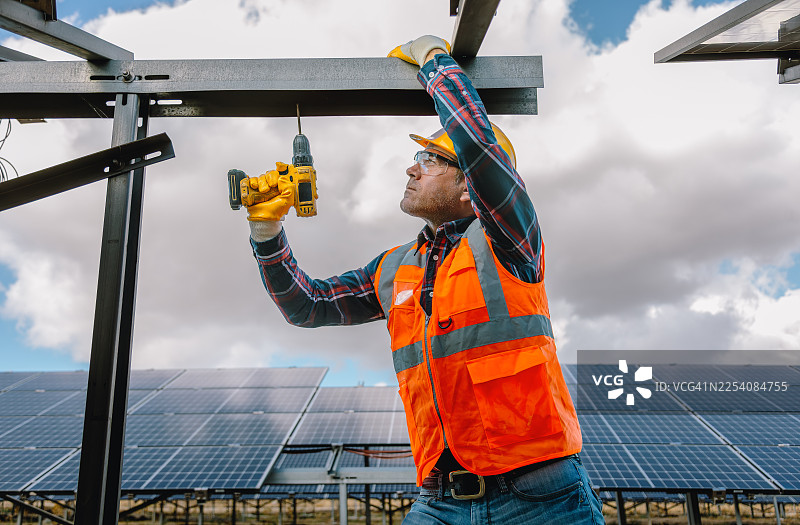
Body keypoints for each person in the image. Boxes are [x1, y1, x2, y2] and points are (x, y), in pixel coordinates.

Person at [243, 36, 604, 524]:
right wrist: (266, 233)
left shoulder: (508, 238)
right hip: (440, 498)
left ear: (468, 187)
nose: (412, 167)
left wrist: (436, 61)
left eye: (432, 160)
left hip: (540, 495)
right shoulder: (393, 267)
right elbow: (307, 306)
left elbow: (478, 148)